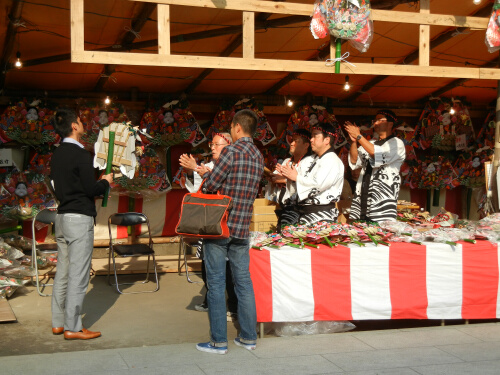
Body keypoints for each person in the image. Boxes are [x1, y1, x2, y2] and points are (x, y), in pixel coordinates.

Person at [194, 109, 264, 355]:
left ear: (236, 127)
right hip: (243, 227)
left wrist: (210, 175)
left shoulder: (231, 152)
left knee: (215, 284)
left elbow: (211, 184)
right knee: (243, 283)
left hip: (221, 226)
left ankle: (218, 342)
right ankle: (248, 337)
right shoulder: (258, 155)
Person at [49, 108, 113, 340]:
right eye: (79, 121)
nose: (82, 123)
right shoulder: (80, 154)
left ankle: (58, 322)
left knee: (63, 273)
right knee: (78, 274)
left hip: (62, 217)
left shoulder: (57, 154)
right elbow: (90, 189)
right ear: (74, 126)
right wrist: (105, 181)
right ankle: (73, 327)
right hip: (78, 218)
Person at [178, 132, 238, 321]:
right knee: (206, 264)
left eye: (216, 144)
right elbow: (198, 187)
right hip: (209, 221)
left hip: (227, 221)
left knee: (228, 267)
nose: (211, 147)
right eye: (211, 144)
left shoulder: (231, 163)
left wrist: (196, 168)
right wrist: (190, 171)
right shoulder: (210, 165)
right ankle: (211, 300)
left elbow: (217, 181)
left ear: (227, 146)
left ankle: (234, 306)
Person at [344, 109, 406, 223]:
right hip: (364, 193)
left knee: (379, 234)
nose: (375, 123)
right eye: (375, 120)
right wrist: (353, 141)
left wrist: (358, 136)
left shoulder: (397, 143)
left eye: (380, 120)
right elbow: (354, 161)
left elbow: (376, 154)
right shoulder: (370, 142)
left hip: (382, 198)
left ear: (390, 124)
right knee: (361, 232)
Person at [281, 122, 344, 224]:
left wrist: (296, 178)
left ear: (327, 140)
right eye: (311, 136)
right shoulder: (311, 159)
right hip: (304, 212)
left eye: (315, 136)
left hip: (321, 215)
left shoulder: (332, 160)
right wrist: (288, 175)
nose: (311, 139)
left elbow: (318, 184)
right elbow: (298, 178)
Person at [270, 129, 312, 228]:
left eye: (296, 141)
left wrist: (285, 179)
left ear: (306, 145)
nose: (291, 143)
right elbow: (276, 176)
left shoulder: (309, 162)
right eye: (292, 140)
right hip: (284, 207)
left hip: (299, 210)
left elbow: (311, 184)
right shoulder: (286, 161)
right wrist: (272, 177)